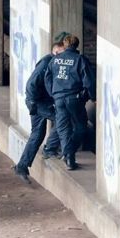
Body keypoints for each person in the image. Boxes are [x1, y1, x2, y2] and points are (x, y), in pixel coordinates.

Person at [13, 40, 65, 182]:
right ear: (55, 51)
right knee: (62, 119)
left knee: (37, 133)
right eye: (62, 53)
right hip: (37, 103)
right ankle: (50, 148)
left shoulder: (52, 62)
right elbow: (32, 83)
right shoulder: (46, 63)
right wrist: (34, 102)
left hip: (39, 102)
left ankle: (22, 166)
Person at [44, 34, 95, 170]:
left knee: (63, 128)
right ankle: (69, 153)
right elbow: (88, 82)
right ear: (76, 45)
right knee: (81, 126)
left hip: (59, 99)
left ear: (65, 45)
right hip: (75, 98)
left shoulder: (54, 60)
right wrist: (93, 97)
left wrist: (53, 94)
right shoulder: (80, 60)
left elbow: (47, 78)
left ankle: (69, 158)